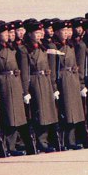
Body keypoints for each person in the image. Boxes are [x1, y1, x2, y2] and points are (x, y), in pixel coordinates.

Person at [19, 20, 61, 152]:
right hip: (35, 82)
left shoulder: (43, 47)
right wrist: (25, 91)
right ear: (29, 34)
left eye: (40, 32)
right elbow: (25, 72)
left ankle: (46, 140)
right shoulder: (24, 49)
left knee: (48, 112)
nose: (39, 35)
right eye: (36, 32)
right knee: (39, 113)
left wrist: (53, 86)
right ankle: (40, 142)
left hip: (45, 81)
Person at [0, 22, 29, 156]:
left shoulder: (11, 48)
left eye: (8, 33)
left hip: (15, 82)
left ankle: (15, 143)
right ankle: (9, 146)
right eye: (4, 33)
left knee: (17, 115)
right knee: (8, 116)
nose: (7, 35)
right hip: (4, 83)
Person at [48, 20, 87, 150]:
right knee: (66, 112)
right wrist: (54, 87)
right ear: (56, 32)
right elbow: (53, 69)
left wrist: (80, 83)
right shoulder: (53, 47)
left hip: (73, 80)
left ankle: (72, 140)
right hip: (63, 81)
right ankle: (65, 141)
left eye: (67, 31)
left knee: (74, 112)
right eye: (63, 31)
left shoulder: (70, 45)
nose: (66, 33)